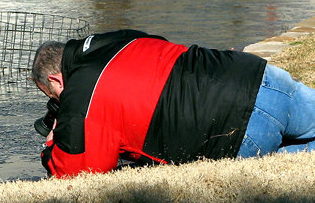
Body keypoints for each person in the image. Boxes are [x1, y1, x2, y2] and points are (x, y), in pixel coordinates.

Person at [31, 29, 315, 178]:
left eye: (54, 98)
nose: (60, 104)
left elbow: (80, 171)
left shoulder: (81, 96)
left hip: (238, 131)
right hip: (262, 77)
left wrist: (52, 144)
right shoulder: (110, 40)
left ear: (57, 81)